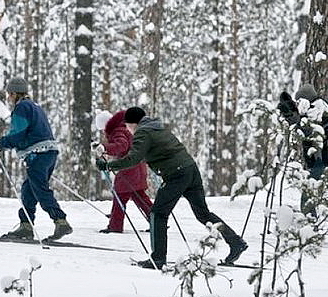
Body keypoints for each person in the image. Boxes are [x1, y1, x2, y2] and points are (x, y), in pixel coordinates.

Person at [95, 107, 248, 269]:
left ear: (133, 123)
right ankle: (236, 242)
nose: (128, 129)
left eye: (128, 126)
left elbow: (134, 158)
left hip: (177, 175)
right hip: (190, 170)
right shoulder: (157, 127)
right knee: (203, 213)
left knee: (158, 214)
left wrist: (109, 165)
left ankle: (158, 258)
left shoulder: (143, 132)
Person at [0, 77, 72, 240]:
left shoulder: (22, 108)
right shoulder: (34, 106)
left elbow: (18, 134)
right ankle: (26, 226)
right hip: (48, 152)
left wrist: (0, 143)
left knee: (40, 189)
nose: (8, 98)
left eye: (9, 94)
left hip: (37, 155)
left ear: (13, 93)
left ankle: (60, 221)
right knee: (28, 189)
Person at [277, 84, 328, 215]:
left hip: (323, 156)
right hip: (321, 156)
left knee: (312, 188)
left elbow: (308, 127)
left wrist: (293, 116)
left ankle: (310, 216)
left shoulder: (317, 106)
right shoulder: (318, 105)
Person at [92, 110, 153, 233]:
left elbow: (121, 145)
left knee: (120, 195)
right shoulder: (123, 129)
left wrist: (105, 148)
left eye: (102, 129)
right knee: (139, 196)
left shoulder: (117, 131)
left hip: (129, 169)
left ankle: (115, 226)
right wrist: (103, 147)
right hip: (138, 167)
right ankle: (157, 221)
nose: (103, 132)